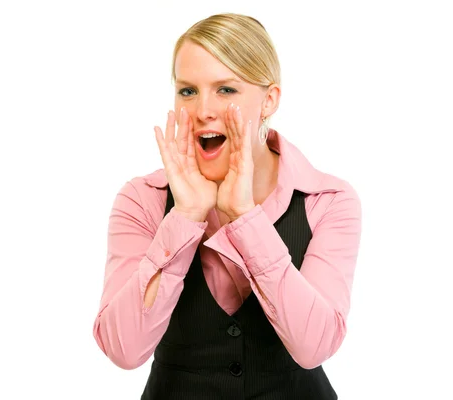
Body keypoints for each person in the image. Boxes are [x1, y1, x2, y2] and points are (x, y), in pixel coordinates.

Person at [92, 12, 362, 399]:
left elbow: (314, 348)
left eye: (226, 90)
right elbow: (123, 351)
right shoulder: (143, 200)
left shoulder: (328, 202)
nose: (203, 110)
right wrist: (185, 216)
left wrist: (245, 219)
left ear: (269, 100)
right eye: (188, 91)